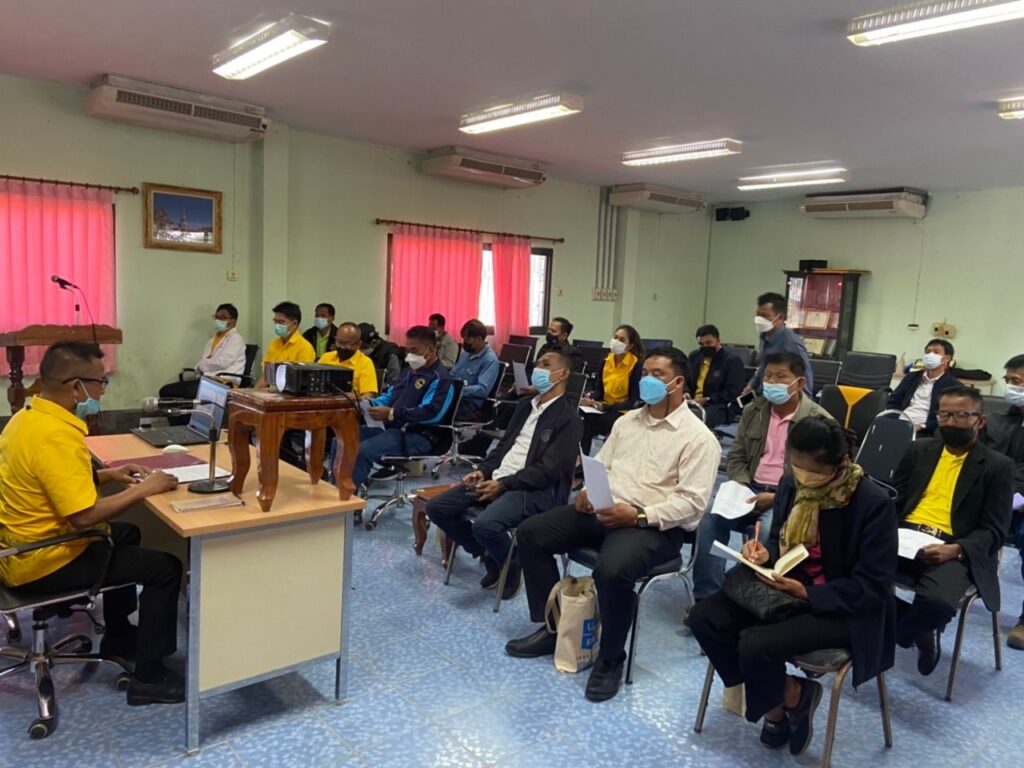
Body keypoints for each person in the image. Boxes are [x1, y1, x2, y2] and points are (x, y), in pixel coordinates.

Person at [505, 347, 720, 702]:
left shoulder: (698, 438)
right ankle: (555, 627)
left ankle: (610, 658)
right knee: (532, 533)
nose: (647, 380)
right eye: (645, 373)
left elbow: (692, 505)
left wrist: (638, 515)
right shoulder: (627, 422)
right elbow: (600, 465)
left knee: (612, 570)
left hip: (653, 526)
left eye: (658, 374)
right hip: (605, 510)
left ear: (679, 382)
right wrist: (587, 492)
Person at [688, 417, 897, 756]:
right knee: (704, 618)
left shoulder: (872, 503)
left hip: (842, 606)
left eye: (812, 470)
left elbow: (873, 586)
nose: (802, 476)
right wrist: (764, 552)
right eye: (795, 465)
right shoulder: (791, 483)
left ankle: (782, 706)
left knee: (755, 644)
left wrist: (808, 593)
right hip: (787, 590)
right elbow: (778, 540)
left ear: (841, 462)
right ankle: (787, 699)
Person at [0, 342, 184, 705]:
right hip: (41, 560)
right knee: (165, 568)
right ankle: (150, 678)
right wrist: (144, 489)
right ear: (76, 387)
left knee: (128, 532)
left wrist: (110, 475)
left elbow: (51, 483)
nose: (102, 391)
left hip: (17, 546)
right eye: (101, 383)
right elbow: (83, 516)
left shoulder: (27, 418)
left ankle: (119, 635)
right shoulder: (55, 435)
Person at [426, 350, 581, 600]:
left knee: (486, 525)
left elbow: (548, 471)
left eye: (545, 364)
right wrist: (483, 470)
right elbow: (502, 448)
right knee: (437, 508)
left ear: (562, 374)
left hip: (534, 490)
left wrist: (503, 484)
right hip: (500, 478)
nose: (538, 369)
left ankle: (513, 564)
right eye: (538, 363)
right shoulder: (525, 406)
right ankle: (493, 553)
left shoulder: (568, 418)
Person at [693, 353, 835, 602]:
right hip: (750, 489)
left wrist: (777, 497)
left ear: (799, 383)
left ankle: (740, 592)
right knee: (709, 520)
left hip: (791, 497)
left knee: (769, 532)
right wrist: (741, 484)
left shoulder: (818, 420)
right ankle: (707, 597)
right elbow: (737, 455)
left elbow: (820, 476)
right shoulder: (753, 410)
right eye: (768, 376)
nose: (772, 382)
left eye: (780, 377)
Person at [892, 386, 1013, 675]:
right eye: (944, 415)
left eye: (962, 416)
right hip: (904, 536)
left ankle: (905, 630)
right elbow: (894, 500)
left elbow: (995, 530)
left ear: (979, 421)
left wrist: (956, 550)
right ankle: (920, 626)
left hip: (952, 546)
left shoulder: (997, 467)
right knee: (846, 570)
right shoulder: (918, 450)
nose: (952, 422)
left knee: (938, 603)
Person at [355, 326, 455, 520]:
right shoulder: (409, 372)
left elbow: (432, 413)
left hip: (419, 435)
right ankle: (338, 494)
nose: (409, 355)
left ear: (430, 349)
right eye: (407, 349)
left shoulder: (441, 379)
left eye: (414, 350)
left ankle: (348, 506)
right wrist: (368, 404)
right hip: (393, 429)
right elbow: (390, 396)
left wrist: (392, 413)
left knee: (362, 450)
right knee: (343, 440)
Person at [982, 355, 1024, 649]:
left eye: (1016, 382)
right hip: (992, 499)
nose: (1009, 387)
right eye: (1007, 380)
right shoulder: (997, 421)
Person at [158, 303, 246, 399]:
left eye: (223, 317)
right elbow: (204, 360)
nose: (218, 320)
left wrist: (202, 366)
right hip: (207, 380)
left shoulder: (236, 339)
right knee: (165, 390)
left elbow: (223, 362)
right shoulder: (213, 339)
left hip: (224, 382)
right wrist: (199, 367)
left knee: (179, 392)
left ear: (234, 321)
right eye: (216, 317)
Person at [579, 325, 643, 454]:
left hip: (623, 411)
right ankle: (581, 459)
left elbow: (633, 400)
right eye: (615, 337)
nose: (616, 341)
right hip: (603, 408)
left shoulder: (636, 365)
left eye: (622, 340)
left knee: (594, 422)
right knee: (580, 417)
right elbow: (599, 390)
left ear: (630, 346)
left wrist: (605, 407)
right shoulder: (606, 361)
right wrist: (590, 398)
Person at [744, 292, 813, 397]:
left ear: (780, 317)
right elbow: (763, 366)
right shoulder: (764, 336)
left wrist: (802, 404)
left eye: (765, 316)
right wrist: (752, 385)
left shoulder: (790, 342)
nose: (759, 319)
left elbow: (804, 378)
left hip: (783, 397)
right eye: (758, 314)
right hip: (764, 394)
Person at [887, 339, 959, 436]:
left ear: (946, 358)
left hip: (925, 430)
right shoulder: (912, 377)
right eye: (928, 352)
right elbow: (893, 400)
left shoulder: (953, 385)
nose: (930, 355)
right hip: (900, 422)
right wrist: (894, 419)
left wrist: (923, 426)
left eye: (936, 352)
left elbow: (947, 416)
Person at [686, 324, 745, 428]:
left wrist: (707, 399)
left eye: (709, 343)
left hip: (719, 406)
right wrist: (685, 392)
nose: (705, 346)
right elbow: (685, 380)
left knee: (692, 417)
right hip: (693, 402)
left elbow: (732, 392)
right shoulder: (694, 356)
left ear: (718, 341)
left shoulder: (732, 361)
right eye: (701, 344)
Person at [255, 301, 316, 387]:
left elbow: (302, 382)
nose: (277, 325)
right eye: (275, 321)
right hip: (270, 390)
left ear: (294, 324)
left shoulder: (305, 348)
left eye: (281, 322)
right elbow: (266, 376)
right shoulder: (274, 344)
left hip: (291, 392)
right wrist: (253, 391)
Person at [450, 319, 501, 420]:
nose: (464, 343)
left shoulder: (490, 360)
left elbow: (482, 390)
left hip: (469, 404)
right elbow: (453, 374)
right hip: (456, 397)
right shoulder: (466, 354)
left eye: (467, 339)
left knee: (435, 410)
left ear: (478, 339)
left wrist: (459, 390)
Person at [319, 321, 379, 398]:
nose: (342, 347)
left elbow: (370, 395)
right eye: (339, 342)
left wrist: (355, 399)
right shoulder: (326, 357)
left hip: (351, 404)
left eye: (347, 343)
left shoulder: (365, 363)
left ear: (358, 344)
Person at [358, 322, 402, 388]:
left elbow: (393, 382)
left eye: (361, 345)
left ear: (373, 342)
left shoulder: (391, 353)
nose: (358, 348)